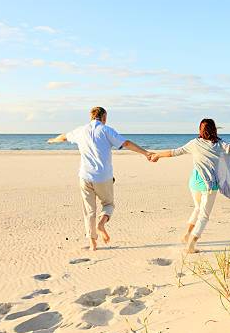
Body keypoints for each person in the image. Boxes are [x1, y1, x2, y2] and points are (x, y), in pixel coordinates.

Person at [149, 119, 230, 253]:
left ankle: (187, 234)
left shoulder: (194, 143)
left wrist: (157, 155)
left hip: (194, 182)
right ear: (214, 130)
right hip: (209, 185)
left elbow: (174, 152)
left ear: (200, 130)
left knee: (197, 208)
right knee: (204, 215)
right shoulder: (220, 145)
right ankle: (191, 244)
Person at [47, 107, 152, 251]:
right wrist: (145, 153)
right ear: (103, 117)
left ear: (91, 117)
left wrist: (53, 140)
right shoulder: (106, 130)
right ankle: (101, 224)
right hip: (103, 177)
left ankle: (92, 243)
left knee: (89, 211)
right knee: (108, 205)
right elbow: (125, 143)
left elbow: (64, 136)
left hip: (85, 176)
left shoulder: (81, 130)